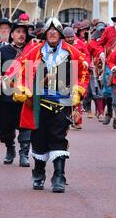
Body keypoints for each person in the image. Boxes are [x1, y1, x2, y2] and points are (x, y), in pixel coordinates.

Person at [12, 17, 89, 193]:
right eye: (49, 30)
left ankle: (59, 176)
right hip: (38, 103)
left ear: (61, 33)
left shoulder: (72, 52)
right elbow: (22, 72)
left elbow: (83, 72)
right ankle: (38, 173)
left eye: (56, 30)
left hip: (62, 102)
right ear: (45, 34)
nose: (52, 33)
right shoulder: (34, 52)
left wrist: (78, 90)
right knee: (38, 139)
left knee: (58, 137)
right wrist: (22, 89)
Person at [0, 21, 31, 166]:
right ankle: (10, 149)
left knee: (25, 125)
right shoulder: (1, 51)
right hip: (6, 95)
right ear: (12, 35)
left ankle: (24, 153)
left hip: (25, 95)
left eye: (23, 32)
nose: (21, 35)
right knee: (5, 127)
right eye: (18, 32)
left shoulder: (32, 51)